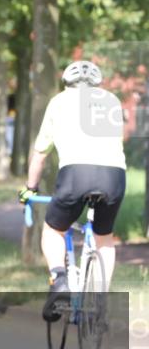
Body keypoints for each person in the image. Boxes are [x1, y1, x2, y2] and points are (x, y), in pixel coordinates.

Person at [17, 60, 126, 322]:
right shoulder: (112, 101)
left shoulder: (59, 102)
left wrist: (30, 188)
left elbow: (40, 155)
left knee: (53, 230)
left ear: (67, 82)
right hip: (115, 175)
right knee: (104, 238)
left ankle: (60, 280)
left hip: (76, 174)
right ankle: (100, 298)